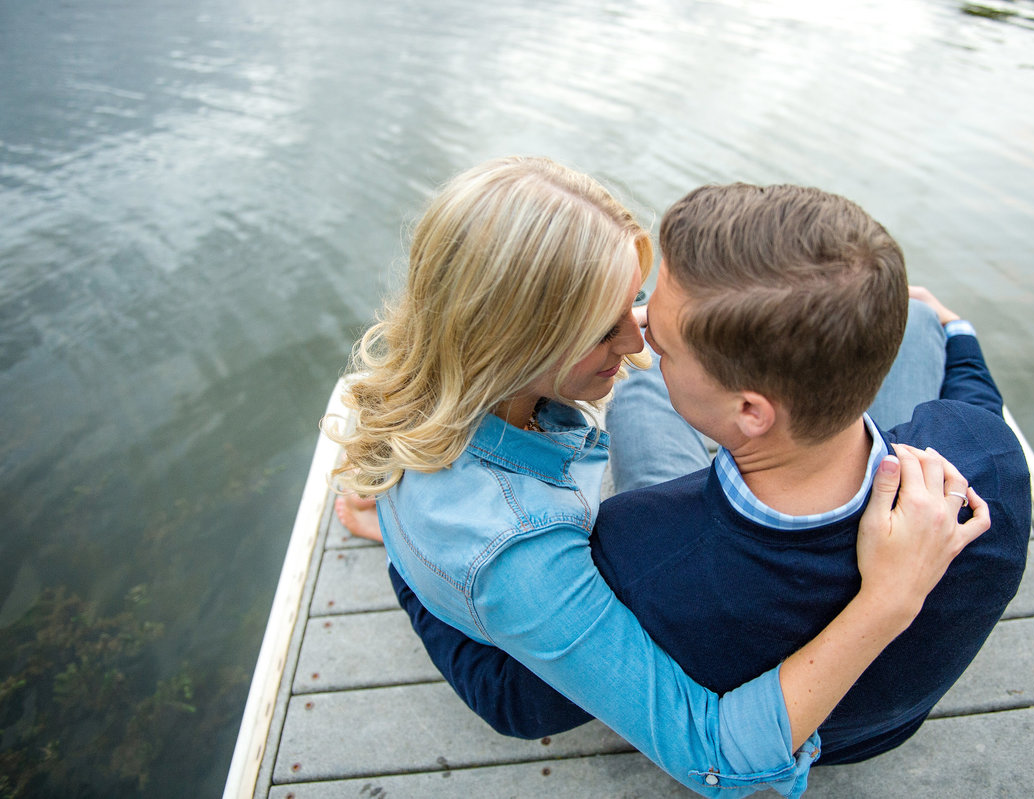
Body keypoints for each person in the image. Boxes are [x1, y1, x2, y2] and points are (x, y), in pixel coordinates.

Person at [328, 157, 989, 798]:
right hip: (519, 646)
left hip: (486, 543)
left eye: (634, 305)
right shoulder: (525, 555)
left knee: (625, 408)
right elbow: (711, 755)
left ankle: (397, 530)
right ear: (518, 342)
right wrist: (889, 596)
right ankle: (402, 545)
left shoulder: (444, 367)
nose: (639, 338)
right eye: (606, 325)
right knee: (450, 571)